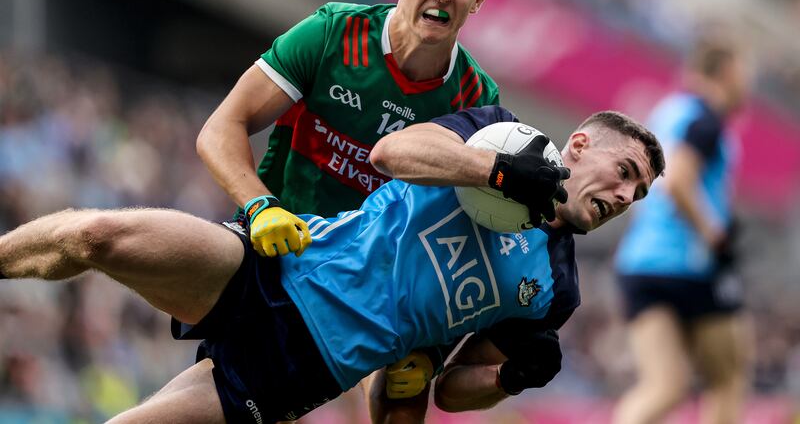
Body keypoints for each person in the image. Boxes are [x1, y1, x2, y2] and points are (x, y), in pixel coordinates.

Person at [0, 105, 662, 423]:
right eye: (625, 172)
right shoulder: (497, 132)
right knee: (98, 233)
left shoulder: (557, 289)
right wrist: (494, 169)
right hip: (278, 264)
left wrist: (513, 374)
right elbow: (392, 154)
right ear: (579, 144)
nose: (626, 196)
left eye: (639, 193)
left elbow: (452, 390)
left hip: (302, 366)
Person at [195, 0, 515, 419]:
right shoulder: (332, 34)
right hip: (273, 248)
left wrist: (431, 353)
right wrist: (260, 205)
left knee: (405, 399)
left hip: (360, 290)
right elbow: (221, 128)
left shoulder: (479, 99)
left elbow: (457, 235)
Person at [612, 33, 753, 424]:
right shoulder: (705, 119)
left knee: (664, 386)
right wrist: (714, 234)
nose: (748, 85)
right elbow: (679, 181)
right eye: (744, 73)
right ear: (725, 72)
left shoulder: (666, 113)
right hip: (691, 264)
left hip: (640, 263)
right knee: (727, 378)